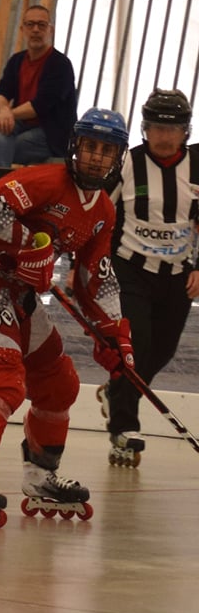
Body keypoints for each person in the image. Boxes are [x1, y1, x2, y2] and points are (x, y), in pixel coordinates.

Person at [0, 108, 133, 527]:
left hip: (22, 296)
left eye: (106, 150)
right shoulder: (44, 180)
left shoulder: (102, 211)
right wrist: (30, 246)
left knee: (60, 385)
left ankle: (41, 475)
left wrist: (115, 335)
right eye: (90, 147)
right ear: (75, 147)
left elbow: (93, 278)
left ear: (117, 158)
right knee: (2, 381)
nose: (96, 157)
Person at [101, 88, 198, 467]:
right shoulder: (128, 163)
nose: (163, 135)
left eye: (171, 128)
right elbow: (99, 213)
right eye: (156, 127)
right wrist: (84, 261)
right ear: (145, 128)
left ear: (185, 131)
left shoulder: (198, 164)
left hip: (177, 275)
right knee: (136, 343)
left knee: (163, 350)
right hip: (130, 270)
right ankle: (124, 428)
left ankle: (117, 392)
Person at [0, 2, 78, 169]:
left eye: (41, 25)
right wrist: (4, 111)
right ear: (22, 30)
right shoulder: (17, 60)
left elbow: (39, 106)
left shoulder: (60, 65)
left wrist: (5, 115)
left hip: (52, 134)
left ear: (51, 30)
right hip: (22, 124)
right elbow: (1, 94)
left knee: (5, 146)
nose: (35, 30)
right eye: (30, 24)